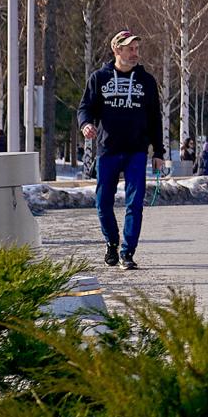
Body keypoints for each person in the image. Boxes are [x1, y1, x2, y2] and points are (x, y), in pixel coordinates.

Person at [78, 28, 166, 272]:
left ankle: (128, 252)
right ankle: (111, 242)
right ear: (116, 50)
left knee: (134, 202)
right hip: (108, 150)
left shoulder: (146, 81)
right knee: (102, 202)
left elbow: (155, 119)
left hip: (137, 151)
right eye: (129, 48)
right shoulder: (100, 78)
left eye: (137, 48)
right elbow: (85, 108)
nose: (134, 53)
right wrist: (86, 125)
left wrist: (158, 152)